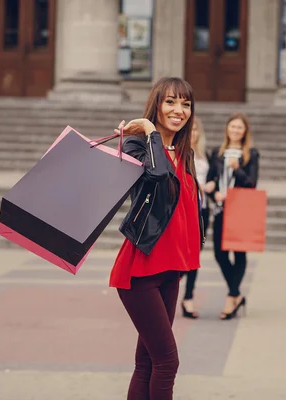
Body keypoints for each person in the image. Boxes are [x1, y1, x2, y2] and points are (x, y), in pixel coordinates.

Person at [109, 77, 205, 400]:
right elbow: (156, 176)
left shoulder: (183, 152)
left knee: (148, 361)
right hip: (139, 271)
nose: (179, 110)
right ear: (156, 105)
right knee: (167, 361)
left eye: (186, 104)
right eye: (170, 102)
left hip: (169, 269)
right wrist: (150, 133)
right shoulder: (137, 145)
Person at [206, 113, 259, 320]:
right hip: (221, 209)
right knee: (219, 254)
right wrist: (212, 193)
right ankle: (237, 293)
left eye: (240, 127)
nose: (235, 130)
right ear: (227, 129)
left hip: (241, 210)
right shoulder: (217, 153)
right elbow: (210, 180)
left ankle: (231, 297)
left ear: (245, 132)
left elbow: (252, 183)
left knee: (239, 253)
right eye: (232, 127)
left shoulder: (251, 154)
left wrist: (237, 170)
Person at [181, 116, 214, 319]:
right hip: (184, 210)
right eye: (190, 130)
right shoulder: (180, 153)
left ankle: (188, 297)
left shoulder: (205, 155)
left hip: (202, 210)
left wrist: (212, 187)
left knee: (195, 256)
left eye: (196, 130)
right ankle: (164, 283)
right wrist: (200, 186)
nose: (193, 133)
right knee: (183, 254)